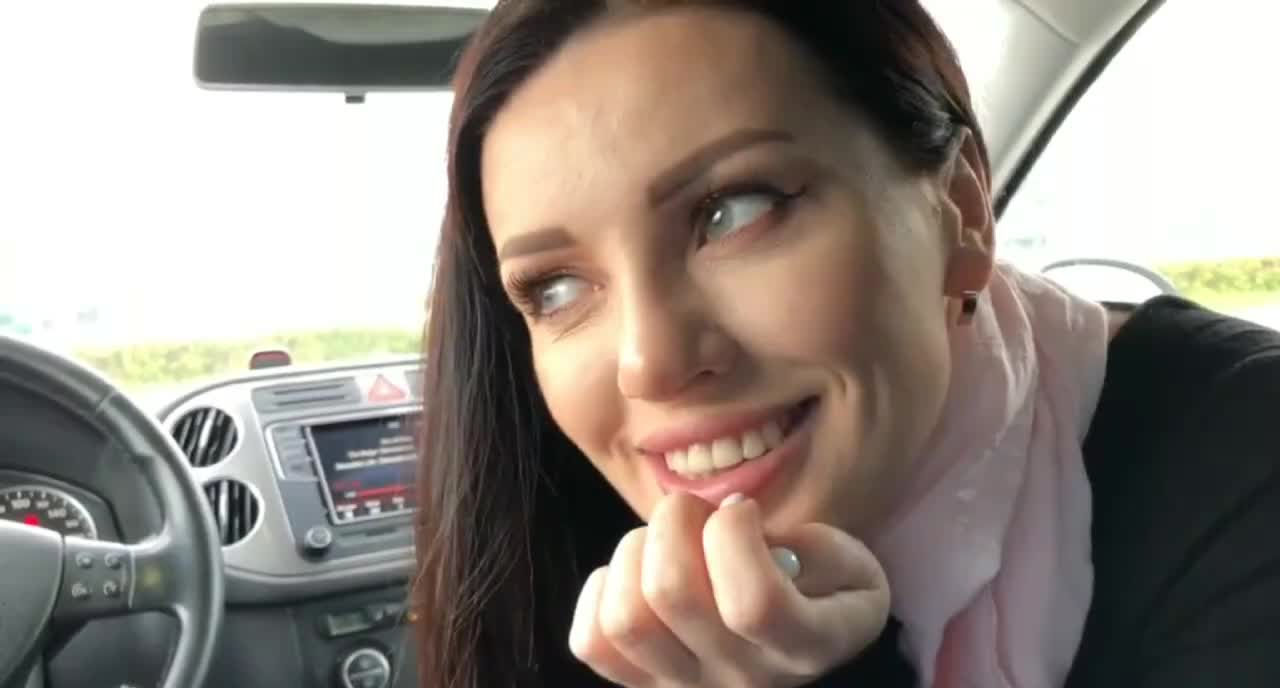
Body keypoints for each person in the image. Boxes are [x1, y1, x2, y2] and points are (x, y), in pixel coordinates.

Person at [413, 1, 1280, 686]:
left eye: (734, 212)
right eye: (555, 289)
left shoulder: (1246, 466)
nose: (651, 363)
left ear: (961, 211)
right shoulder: (560, 542)